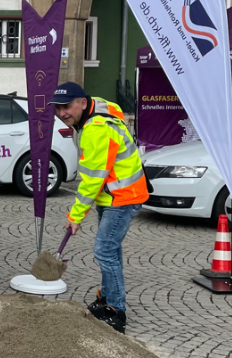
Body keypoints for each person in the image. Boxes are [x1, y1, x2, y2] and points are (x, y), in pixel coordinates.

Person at [50, 81, 149, 334]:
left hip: (122, 196)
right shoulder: (100, 109)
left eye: (67, 107)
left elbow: (92, 179)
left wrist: (75, 216)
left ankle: (116, 310)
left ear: (83, 103)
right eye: (58, 108)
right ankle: (106, 299)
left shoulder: (96, 129)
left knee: (104, 251)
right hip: (114, 194)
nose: (62, 113)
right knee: (110, 251)